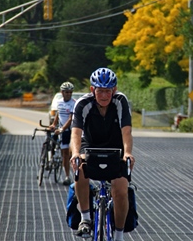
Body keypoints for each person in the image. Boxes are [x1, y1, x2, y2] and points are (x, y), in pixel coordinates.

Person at [70, 68, 135, 241]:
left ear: (114, 90)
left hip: (116, 146)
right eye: (100, 91)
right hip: (89, 144)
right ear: (93, 90)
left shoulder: (121, 101)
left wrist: (127, 153)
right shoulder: (83, 104)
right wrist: (76, 153)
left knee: (121, 190)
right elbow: (76, 133)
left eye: (108, 91)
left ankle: (119, 235)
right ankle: (85, 219)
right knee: (80, 169)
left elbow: (127, 130)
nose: (104, 95)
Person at [50, 81, 76, 186]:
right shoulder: (59, 102)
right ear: (62, 92)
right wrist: (53, 124)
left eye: (70, 92)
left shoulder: (73, 103)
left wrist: (63, 129)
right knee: (58, 147)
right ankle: (52, 158)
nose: (68, 94)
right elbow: (58, 114)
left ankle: (69, 175)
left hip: (69, 130)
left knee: (68, 154)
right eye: (66, 92)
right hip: (61, 129)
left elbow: (70, 118)